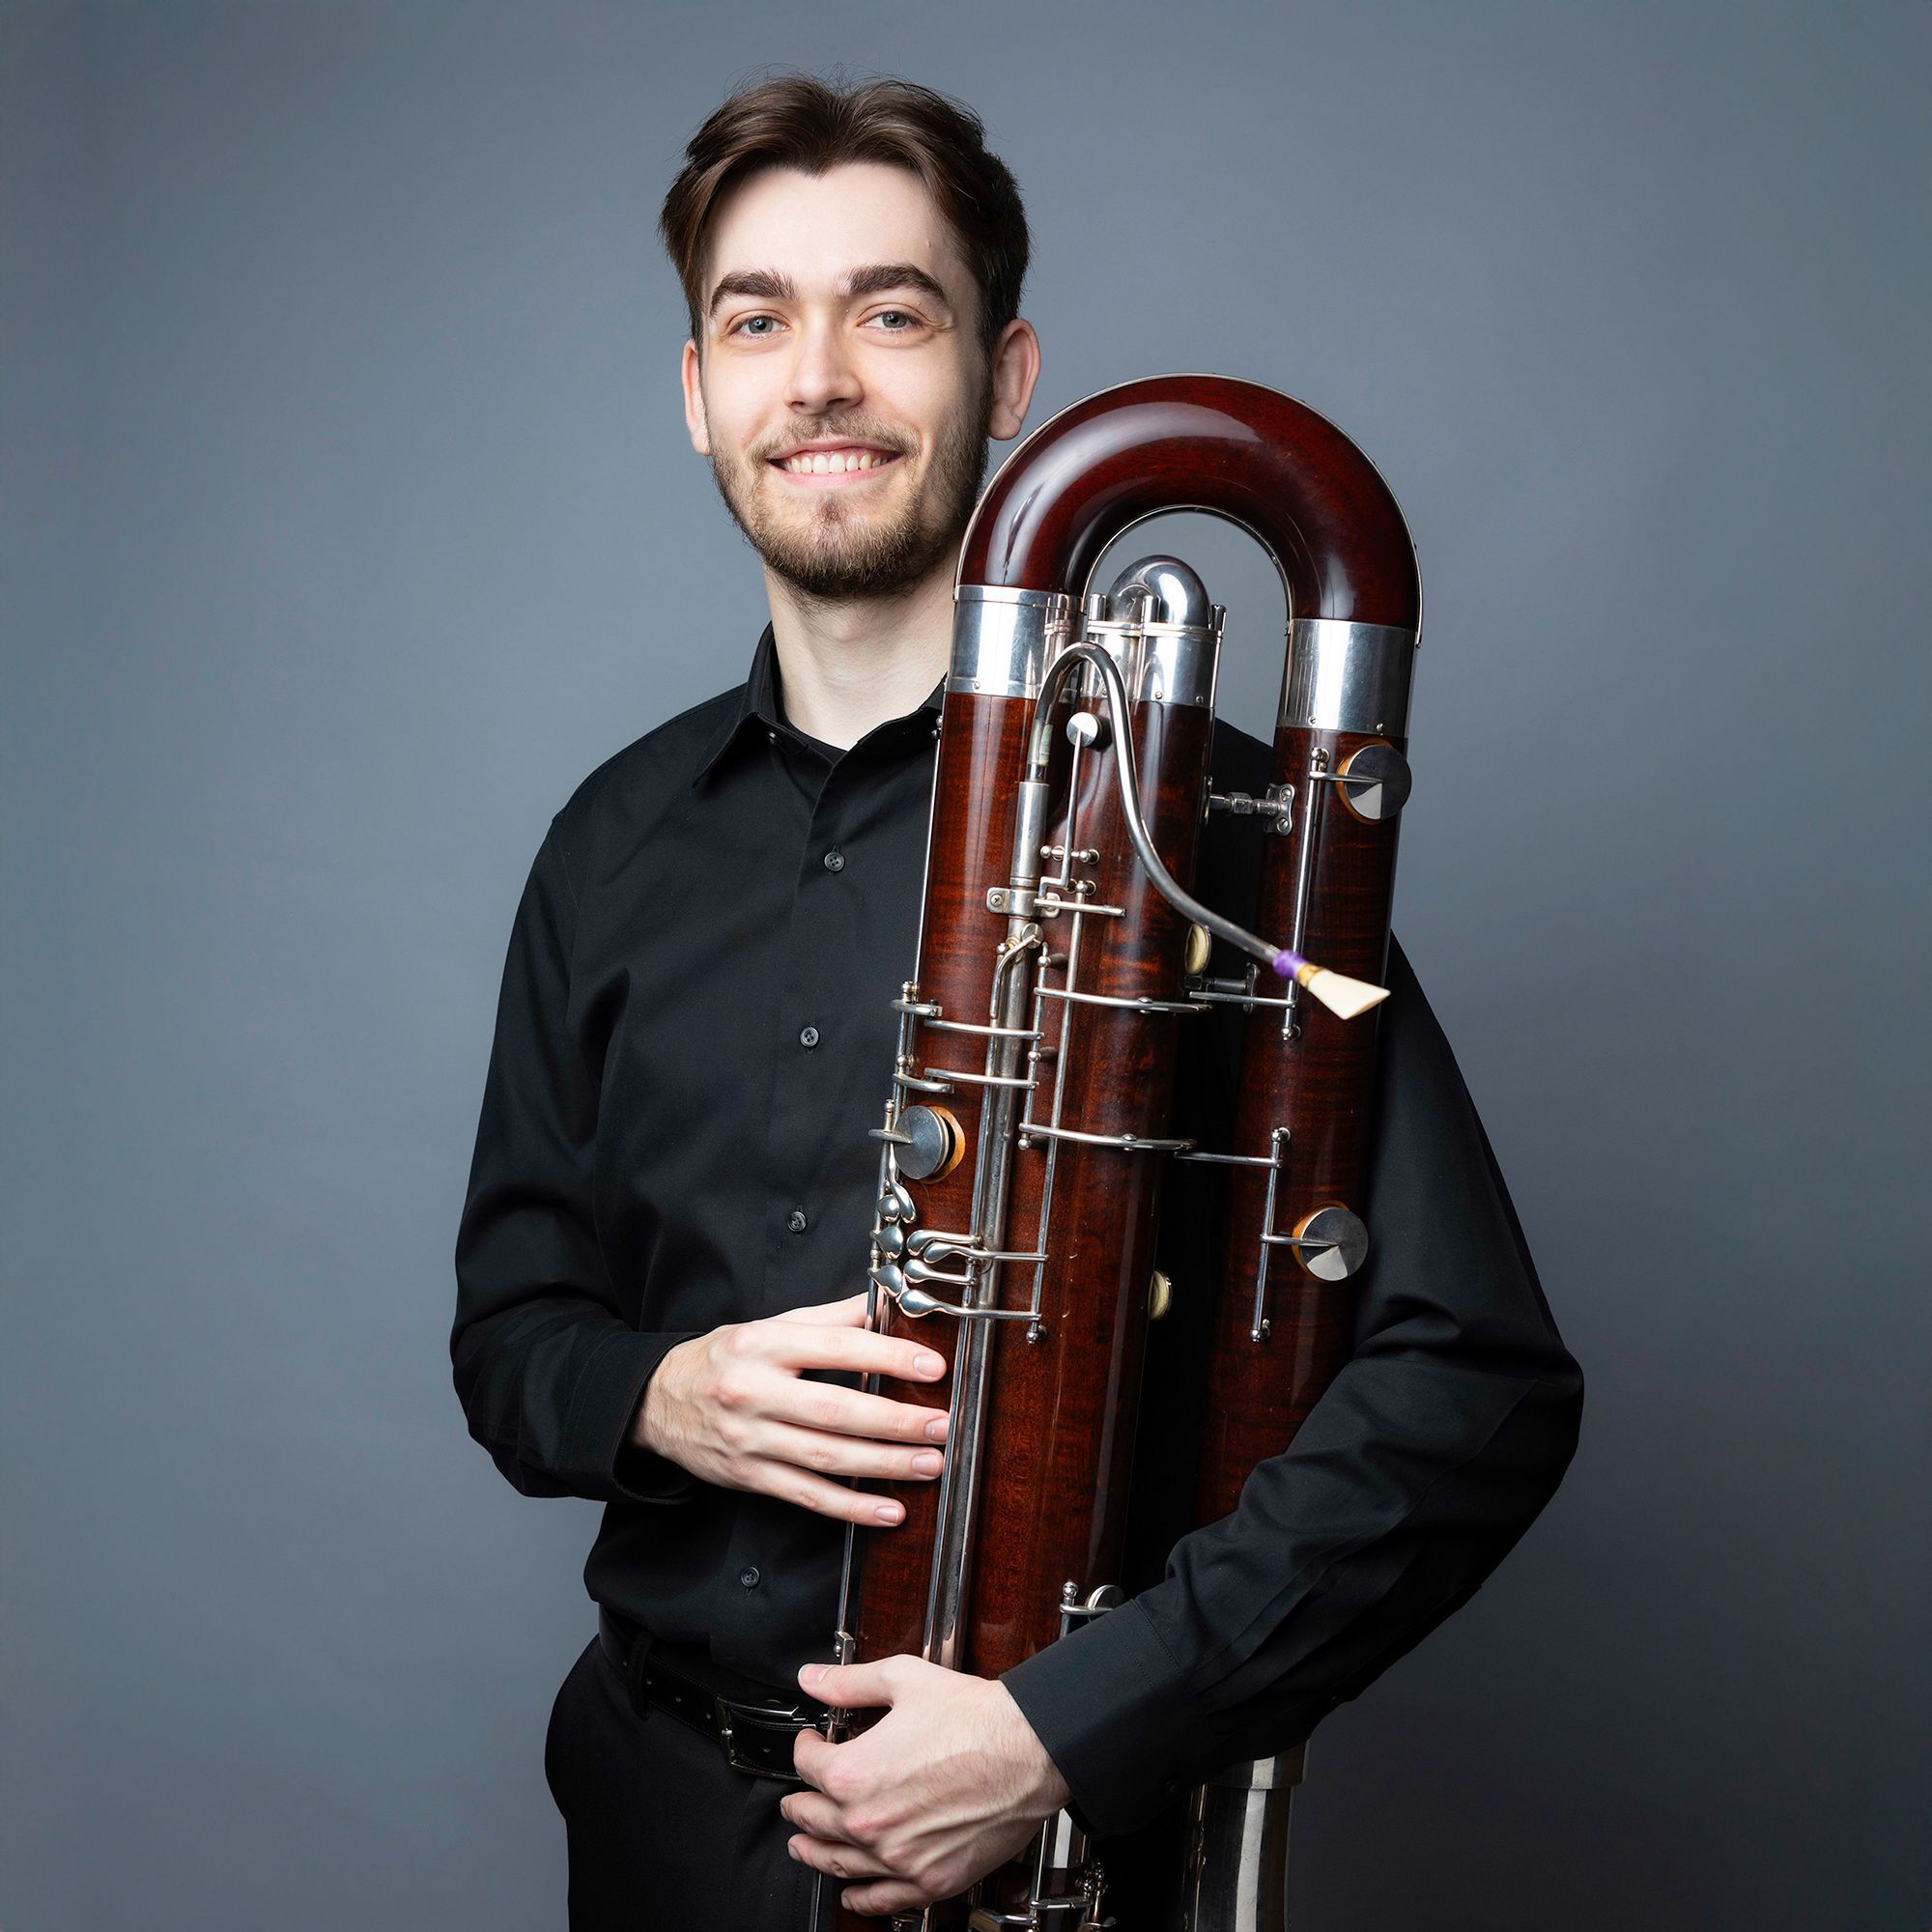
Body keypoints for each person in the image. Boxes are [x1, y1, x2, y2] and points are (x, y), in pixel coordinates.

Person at [450, 71, 1583, 1930]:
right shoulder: (608, 842)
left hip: (1050, 1853)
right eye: (757, 320)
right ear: (698, 395)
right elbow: (510, 1345)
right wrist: (660, 1393)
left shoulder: (1224, 837)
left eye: (892, 312)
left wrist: (1072, 1730)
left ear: (1009, 377)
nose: (817, 377)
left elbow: (1475, 1384)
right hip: (655, 1835)